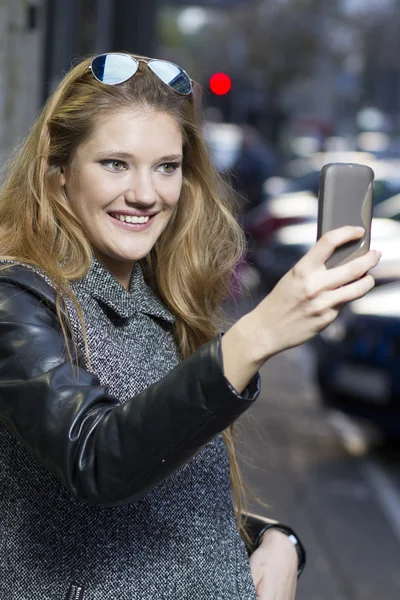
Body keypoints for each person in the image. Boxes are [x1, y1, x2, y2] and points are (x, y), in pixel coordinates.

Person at [0, 52, 380, 600]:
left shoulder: (165, 303)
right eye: (114, 163)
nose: (146, 194)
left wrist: (278, 541)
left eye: (166, 166)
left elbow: (171, 500)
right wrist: (254, 337)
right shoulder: (18, 299)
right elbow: (98, 457)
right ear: (57, 173)